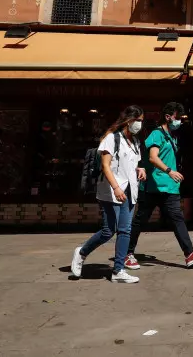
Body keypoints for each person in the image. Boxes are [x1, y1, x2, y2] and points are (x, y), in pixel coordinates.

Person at [125, 102, 193, 269]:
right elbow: (153, 157)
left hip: (169, 187)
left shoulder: (172, 136)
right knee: (140, 221)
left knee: (177, 219)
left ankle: (190, 254)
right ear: (168, 117)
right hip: (152, 187)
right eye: (177, 117)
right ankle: (126, 253)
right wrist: (169, 171)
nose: (179, 121)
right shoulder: (156, 134)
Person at [70, 105, 144, 284]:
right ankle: (82, 252)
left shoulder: (135, 142)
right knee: (108, 231)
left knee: (125, 230)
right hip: (111, 190)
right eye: (138, 120)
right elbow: (105, 165)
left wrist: (140, 169)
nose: (140, 124)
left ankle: (118, 270)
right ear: (129, 120)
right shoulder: (112, 138)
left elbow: (131, 164)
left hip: (129, 190)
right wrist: (116, 188)